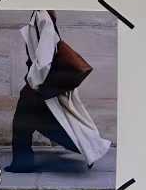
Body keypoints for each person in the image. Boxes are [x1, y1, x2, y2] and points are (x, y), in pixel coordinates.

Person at [6, 9, 110, 173]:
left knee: (25, 121)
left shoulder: (42, 15)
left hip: (39, 81)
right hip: (40, 80)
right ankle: (89, 148)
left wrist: (33, 82)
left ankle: (23, 162)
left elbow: (45, 58)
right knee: (40, 121)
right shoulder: (41, 14)